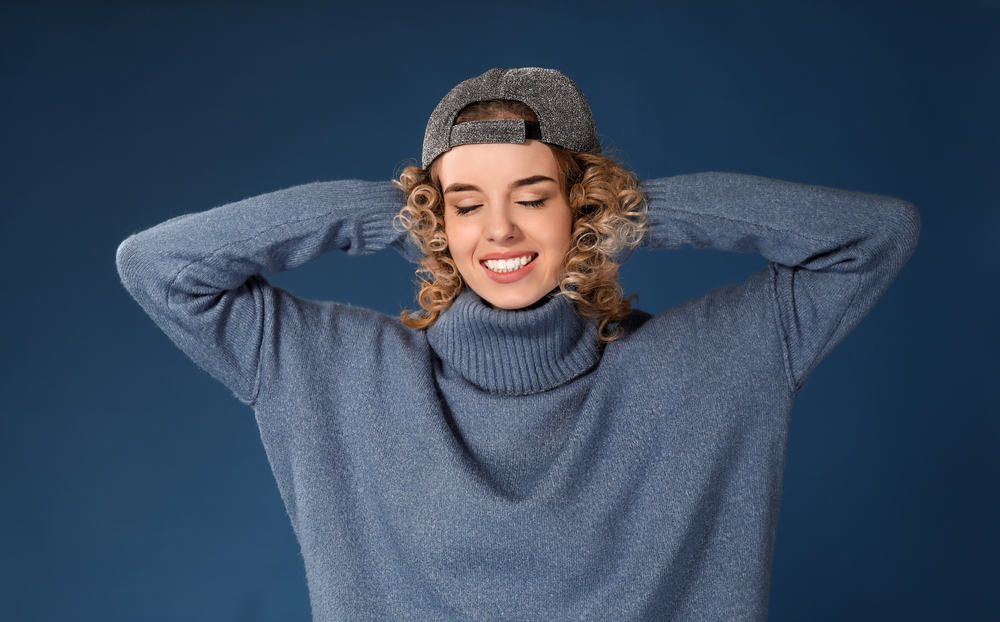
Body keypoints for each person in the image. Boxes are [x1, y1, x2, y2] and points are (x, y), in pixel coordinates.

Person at [115, 67, 920, 621]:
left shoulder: (712, 364)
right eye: (464, 205)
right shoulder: (328, 372)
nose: (498, 229)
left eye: (533, 197)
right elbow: (158, 266)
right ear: (435, 220)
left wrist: (630, 213)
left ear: (585, 205)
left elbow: (873, 235)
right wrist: (384, 213)